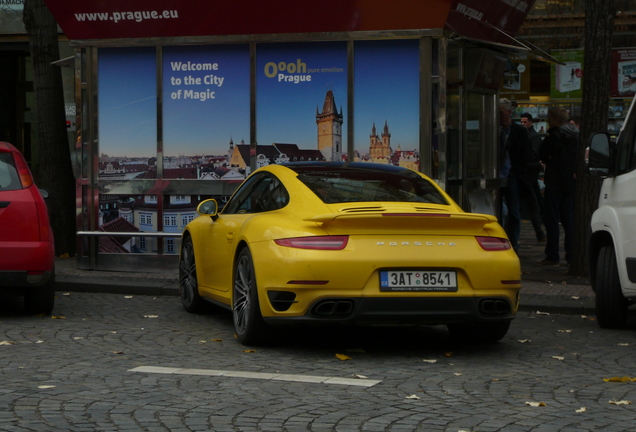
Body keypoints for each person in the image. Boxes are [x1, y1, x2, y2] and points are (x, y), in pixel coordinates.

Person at [537, 107, 578, 266]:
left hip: (554, 181)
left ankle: (552, 255)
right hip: (569, 181)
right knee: (568, 219)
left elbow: (543, 155)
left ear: (554, 120)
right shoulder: (574, 135)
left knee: (552, 219)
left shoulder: (552, 136)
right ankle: (571, 254)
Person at [499, 99, 533, 253]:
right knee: (502, 209)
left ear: (508, 113)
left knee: (513, 211)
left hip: (512, 173)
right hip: (500, 173)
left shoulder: (518, 131)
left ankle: (514, 242)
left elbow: (525, 153)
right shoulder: (497, 129)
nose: (499, 116)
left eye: (501, 113)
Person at [519, 113, 546, 242]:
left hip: (527, 176)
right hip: (528, 177)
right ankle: (540, 233)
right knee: (535, 205)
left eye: (525, 122)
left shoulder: (532, 137)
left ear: (530, 122)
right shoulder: (530, 136)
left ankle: (540, 233)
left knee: (533, 205)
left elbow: (533, 155)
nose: (523, 124)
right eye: (522, 122)